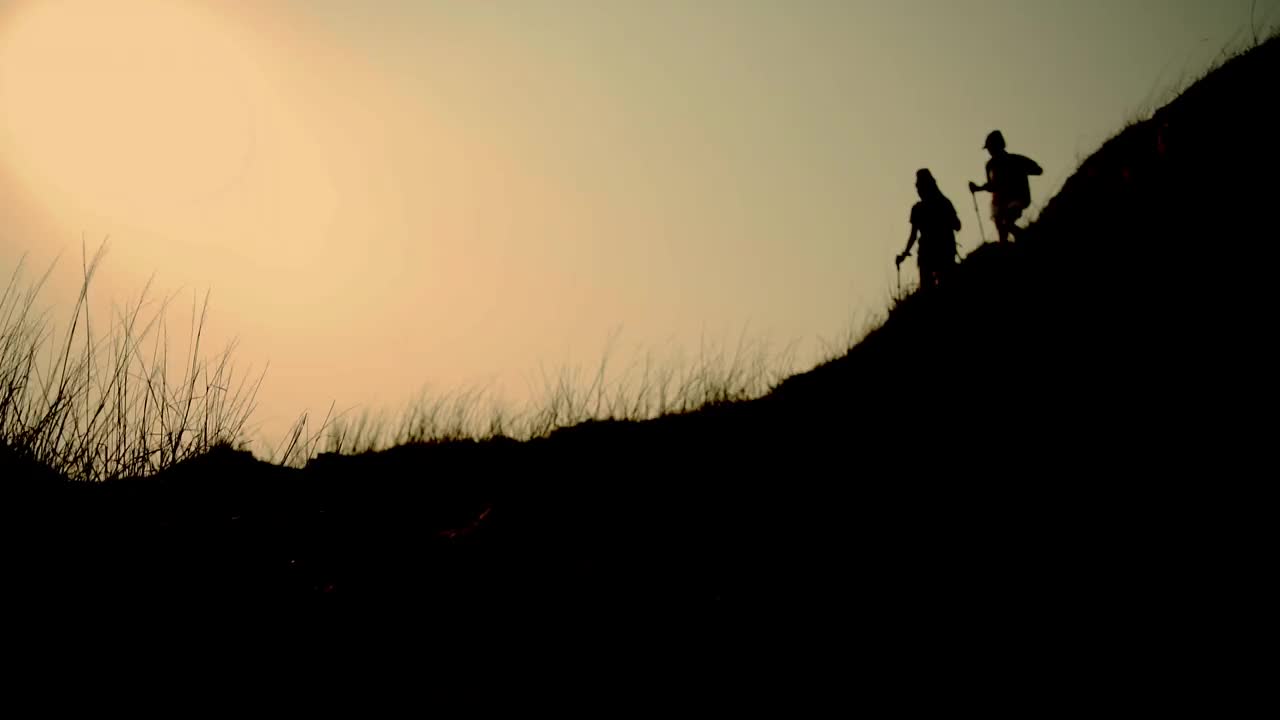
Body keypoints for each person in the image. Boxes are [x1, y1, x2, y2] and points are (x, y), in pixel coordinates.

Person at [969, 130, 1042, 243]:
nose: (989, 150)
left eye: (990, 147)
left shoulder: (1014, 160)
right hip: (1000, 202)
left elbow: (1038, 170)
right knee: (1002, 230)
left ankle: (1025, 238)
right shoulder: (990, 165)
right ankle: (1013, 244)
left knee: (1006, 222)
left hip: (1017, 198)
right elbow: (992, 186)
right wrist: (978, 188)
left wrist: (1021, 171)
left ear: (997, 146)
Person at [897, 169, 961, 291]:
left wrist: (905, 254)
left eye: (918, 187)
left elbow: (913, 235)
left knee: (928, 290)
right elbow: (957, 226)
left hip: (927, 253)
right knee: (947, 285)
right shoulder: (944, 202)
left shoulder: (917, 209)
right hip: (946, 249)